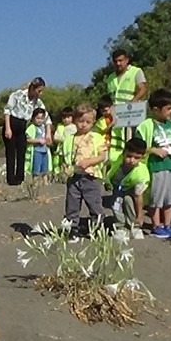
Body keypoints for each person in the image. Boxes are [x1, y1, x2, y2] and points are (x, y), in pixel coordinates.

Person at [135, 89, 171, 239]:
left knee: (170, 197)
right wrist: (154, 150)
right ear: (156, 110)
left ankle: (167, 224)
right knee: (157, 197)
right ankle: (156, 225)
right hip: (157, 167)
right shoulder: (146, 125)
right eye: (168, 109)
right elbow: (139, 146)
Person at [60, 104, 108, 236]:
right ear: (75, 121)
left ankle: (97, 230)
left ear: (93, 122)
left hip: (91, 177)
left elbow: (102, 157)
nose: (83, 125)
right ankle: (72, 230)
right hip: (74, 177)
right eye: (80, 121)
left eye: (87, 122)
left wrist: (89, 162)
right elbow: (64, 156)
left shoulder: (97, 138)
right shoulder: (69, 139)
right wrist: (65, 168)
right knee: (72, 205)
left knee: (94, 205)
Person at [2, 78, 47, 186]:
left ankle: (20, 178)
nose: (40, 93)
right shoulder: (17, 95)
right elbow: (7, 111)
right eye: (39, 91)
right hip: (11, 123)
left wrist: (48, 132)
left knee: (22, 151)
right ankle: (11, 179)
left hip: (22, 126)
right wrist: (8, 128)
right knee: (11, 152)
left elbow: (46, 115)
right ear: (33, 88)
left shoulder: (37, 102)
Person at [105, 139, 150, 239]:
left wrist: (140, 215)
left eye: (137, 158)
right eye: (129, 156)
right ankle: (120, 227)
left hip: (132, 187)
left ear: (142, 158)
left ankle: (134, 226)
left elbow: (138, 196)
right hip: (116, 185)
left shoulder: (142, 174)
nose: (132, 160)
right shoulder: (116, 158)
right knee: (116, 204)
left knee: (129, 201)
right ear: (123, 153)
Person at [94, 96, 123, 164]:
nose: (104, 112)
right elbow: (102, 131)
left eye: (106, 110)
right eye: (102, 111)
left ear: (112, 107)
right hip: (106, 145)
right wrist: (111, 125)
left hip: (117, 144)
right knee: (105, 163)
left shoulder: (118, 116)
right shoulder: (101, 121)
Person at [24, 108, 52, 177]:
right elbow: (27, 139)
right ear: (33, 118)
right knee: (36, 170)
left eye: (42, 118)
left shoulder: (43, 127)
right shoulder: (32, 127)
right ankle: (35, 183)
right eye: (38, 118)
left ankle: (45, 184)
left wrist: (48, 142)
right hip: (37, 151)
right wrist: (38, 140)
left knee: (45, 170)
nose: (40, 120)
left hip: (45, 151)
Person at [52, 107, 75, 172]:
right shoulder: (60, 126)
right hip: (61, 150)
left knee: (69, 163)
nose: (66, 120)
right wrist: (61, 139)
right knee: (60, 163)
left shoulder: (74, 127)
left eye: (68, 117)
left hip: (70, 149)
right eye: (64, 118)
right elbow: (56, 137)